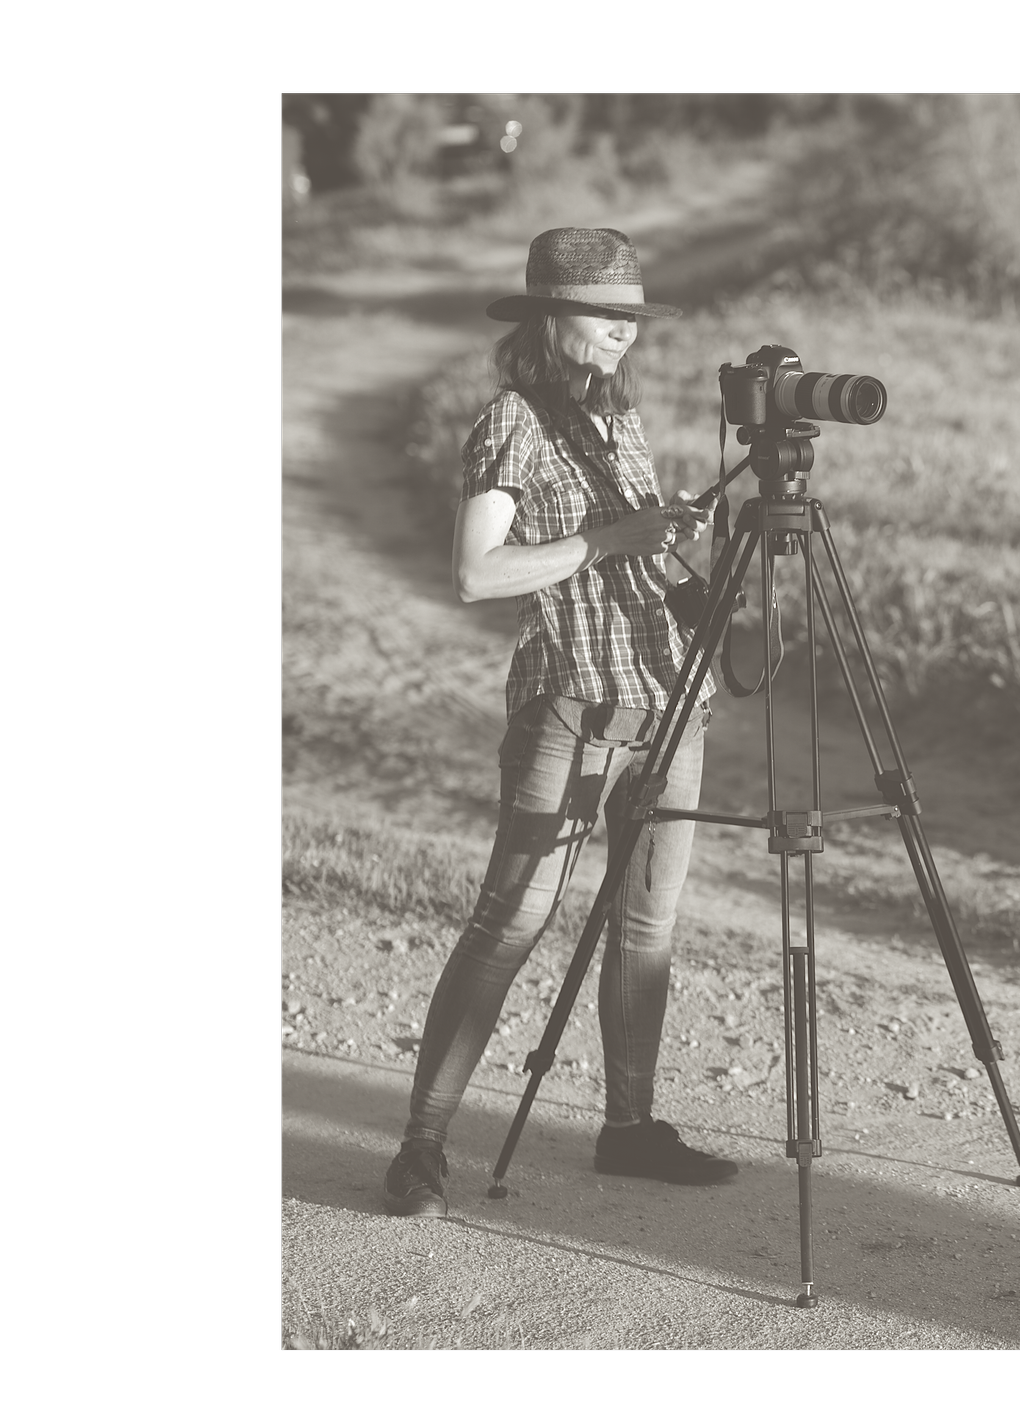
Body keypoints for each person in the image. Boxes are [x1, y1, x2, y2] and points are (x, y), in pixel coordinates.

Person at [384, 228, 735, 1217]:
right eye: (602, 315)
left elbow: (621, 554)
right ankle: (421, 1146)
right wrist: (611, 536)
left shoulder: (615, 413)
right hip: (570, 705)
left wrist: (667, 542)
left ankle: (628, 1129)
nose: (622, 333)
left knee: (647, 922)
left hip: (667, 703)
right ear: (546, 317)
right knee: (511, 919)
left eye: (632, 316)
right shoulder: (512, 420)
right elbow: (475, 572)